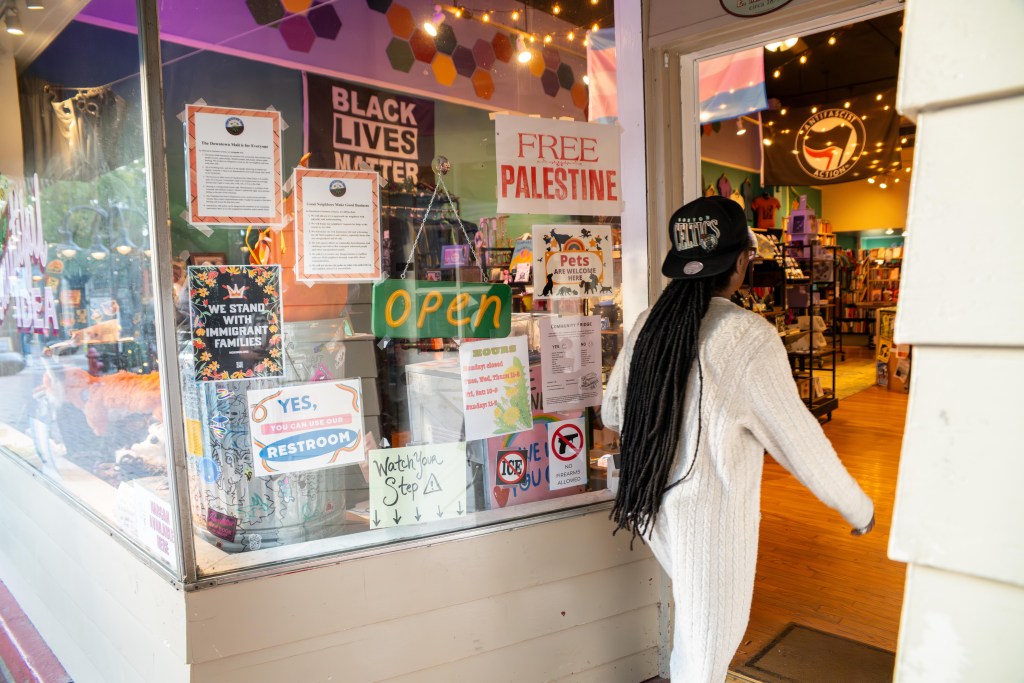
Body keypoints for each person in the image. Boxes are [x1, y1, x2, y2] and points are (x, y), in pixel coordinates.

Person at [601, 196, 875, 683]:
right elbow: (799, 441)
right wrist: (857, 507)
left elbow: (612, 412)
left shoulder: (648, 323)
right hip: (709, 520)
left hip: (651, 504)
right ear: (743, 260)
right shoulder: (747, 337)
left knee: (693, 638)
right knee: (705, 657)